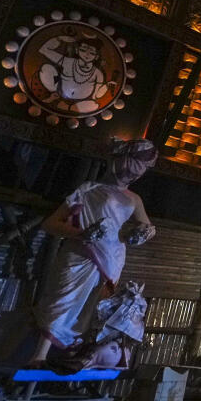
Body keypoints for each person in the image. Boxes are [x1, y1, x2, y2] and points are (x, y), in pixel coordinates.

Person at [29, 139, 157, 363]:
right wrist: (81, 234)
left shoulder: (134, 199)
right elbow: (50, 224)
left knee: (94, 308)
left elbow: (147, 228)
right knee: (63, 299)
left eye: (138, 173)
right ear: (118, 163)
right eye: (130, 171)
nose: (133, 177)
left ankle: (75, 354)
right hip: (80, 253)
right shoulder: (88, 190)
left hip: (113, 257)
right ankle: (39, 354)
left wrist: (141, 234)